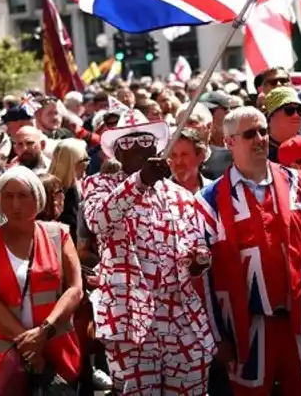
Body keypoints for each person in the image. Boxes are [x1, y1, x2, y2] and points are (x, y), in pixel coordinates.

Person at [198, 106, 301, 396]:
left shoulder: (295, 183)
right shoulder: (210, 199)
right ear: (229, 142)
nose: (260, 139)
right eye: (250, 134)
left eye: (263, 131)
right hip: (246, 327)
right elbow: (204, 276)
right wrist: (216, 336)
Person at [83, 110, 215, 394]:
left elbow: (196, 242)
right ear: (117, 152)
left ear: (157, 146)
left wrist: (198, 260)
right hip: (130, 320)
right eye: (128, 143)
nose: (139, 148)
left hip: (180, 316)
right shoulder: (99, 185)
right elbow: (99, 221)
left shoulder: (179, 195)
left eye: (145, 141)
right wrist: (140, 181)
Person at [0, 166, 84, 396]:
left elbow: (75, 288)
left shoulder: (58, 234)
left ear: (38, 198)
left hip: (54, 346)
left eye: (23, 196)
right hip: (2, 355)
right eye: (8, 197)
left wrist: (44, 331)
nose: (15, 205)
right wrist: (28, 345)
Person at [48, 139, 89, 242]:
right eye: (85, 159)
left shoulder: (77, 185)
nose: (88, 163)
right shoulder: (63, 192)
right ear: (73, 162)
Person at [169, 128, 210, 194]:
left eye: (184, 155)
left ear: (200, 156)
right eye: (173, 155)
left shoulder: (215, 192)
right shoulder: (159, 195)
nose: (178, 161)